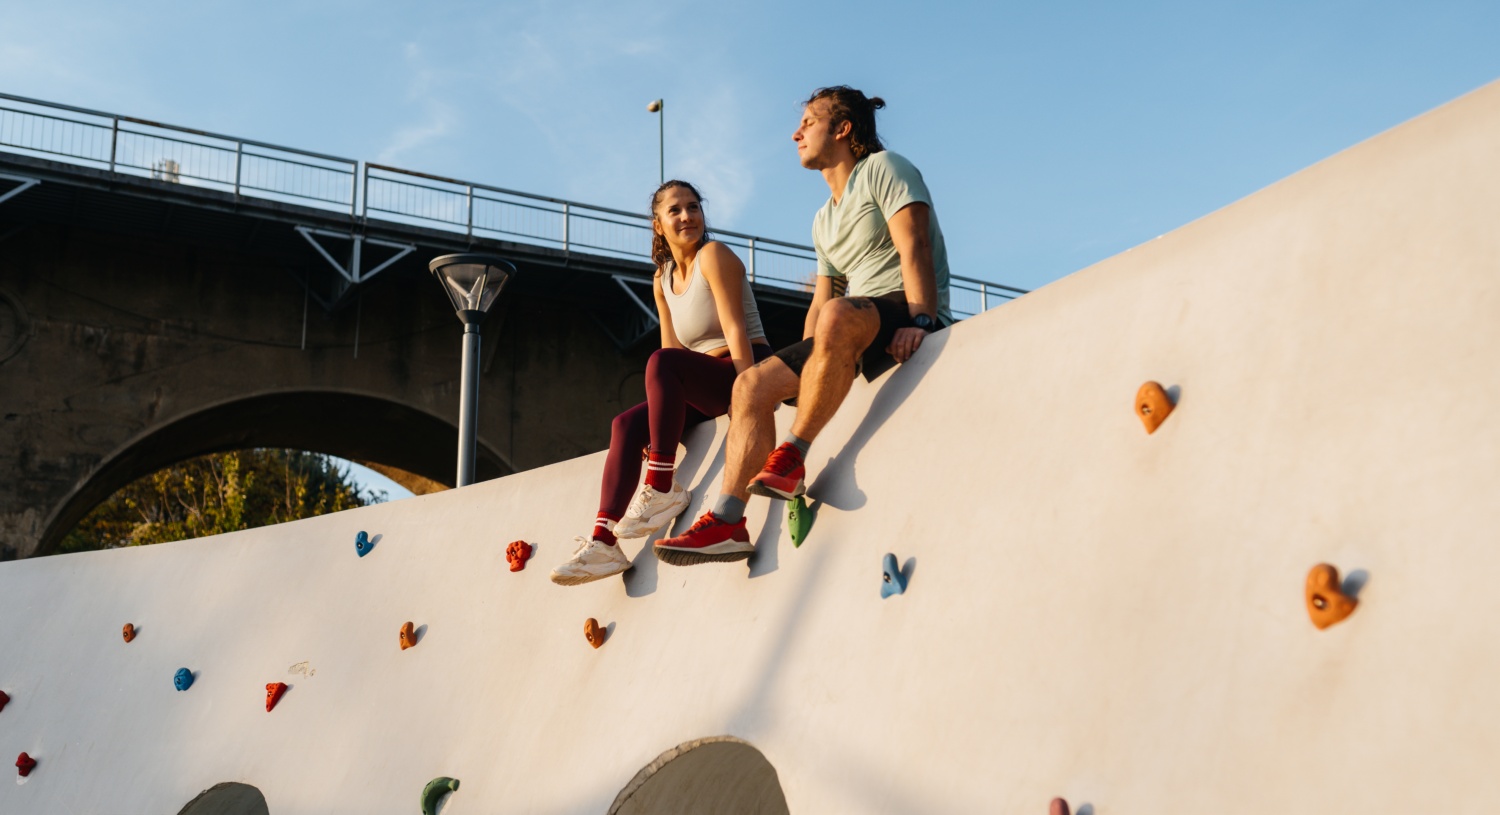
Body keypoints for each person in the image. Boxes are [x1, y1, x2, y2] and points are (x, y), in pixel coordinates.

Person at [654, 86, 951, 565]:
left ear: (842, 128)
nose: (797, 133)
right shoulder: (822, 219)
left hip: (898, 307)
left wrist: (922, 319)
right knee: (749, 384)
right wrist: (803, 367)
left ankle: (793, 455)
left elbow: (913, 244)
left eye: (808, 123)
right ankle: (728, 520)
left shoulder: (885, 169)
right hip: (849, 325)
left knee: (836, 315)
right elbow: (820, 303)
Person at [550, 180, 773, 585]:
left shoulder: (714, 255)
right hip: (700, 378)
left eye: (693, 207)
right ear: (658, 224)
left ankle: (660, 485)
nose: (687, 216)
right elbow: (674, 356)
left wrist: (750, 391)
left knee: (661, 362)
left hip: (743, 364)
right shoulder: (663, 279)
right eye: (675, 210)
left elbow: (736, 330)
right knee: (626, 425)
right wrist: (658, 429)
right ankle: (603, 542)